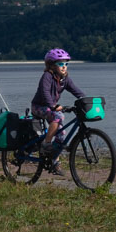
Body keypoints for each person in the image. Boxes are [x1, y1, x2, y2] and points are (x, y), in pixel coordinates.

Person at [30, 48, 85, 176]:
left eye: (66, 63)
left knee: (61, 135)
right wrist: (53, 106)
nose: (64, 66)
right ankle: (46, 144)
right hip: (38, 106)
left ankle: (54, 162)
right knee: (58, 116)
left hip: (51, 108)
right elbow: (45, 92)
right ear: (51, 65)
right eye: (60, 63)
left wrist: (85, 100)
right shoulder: (47, 76)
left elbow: (76, 90)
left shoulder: (64, 79)